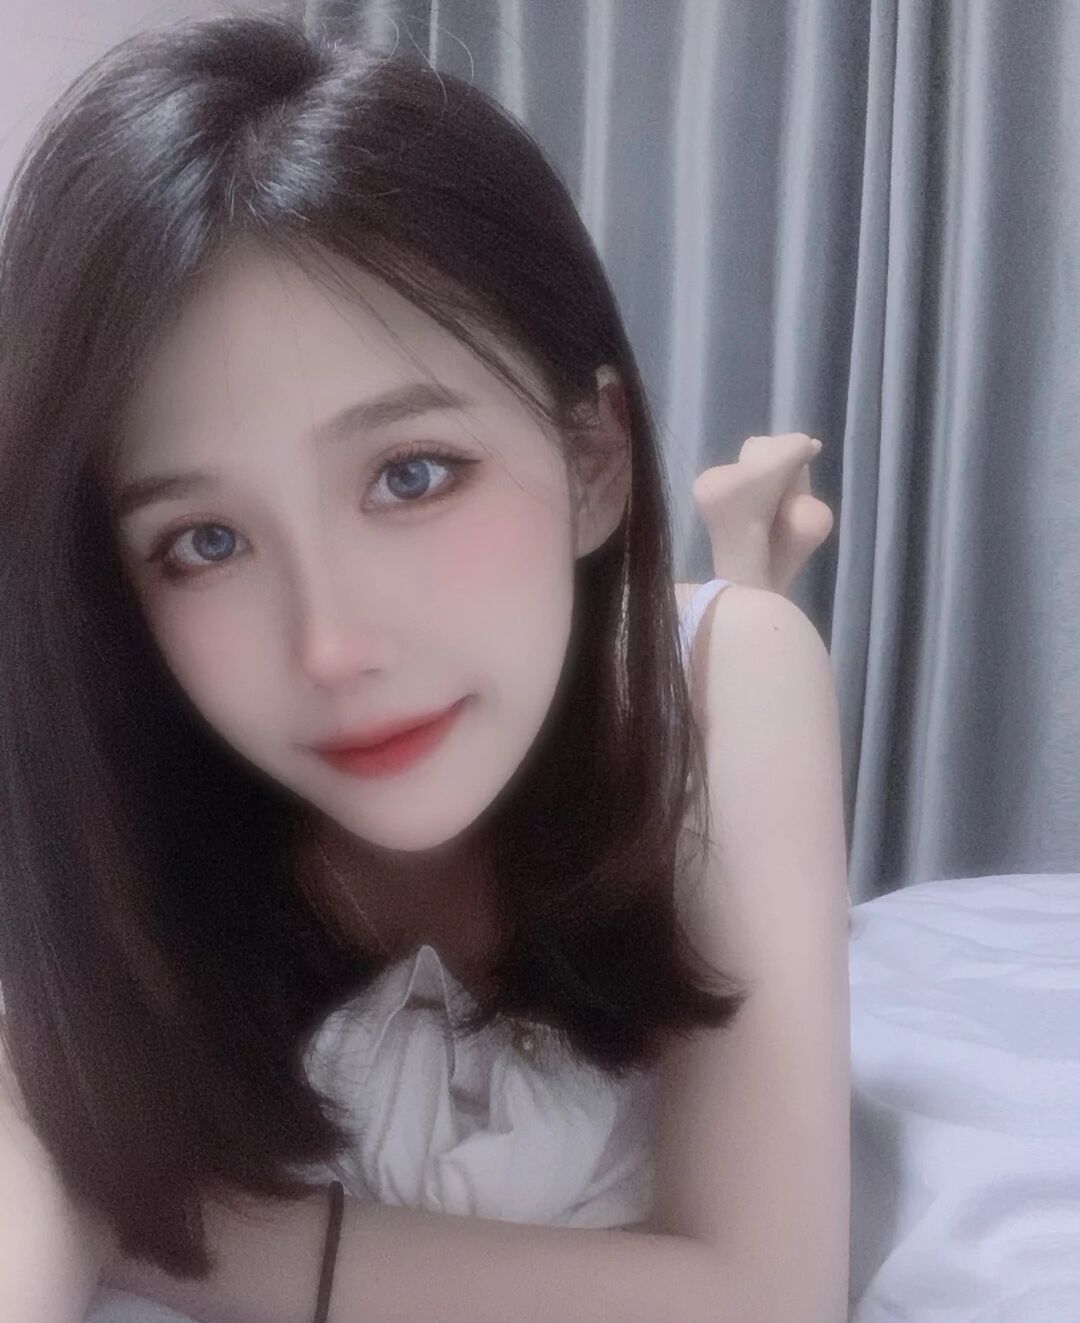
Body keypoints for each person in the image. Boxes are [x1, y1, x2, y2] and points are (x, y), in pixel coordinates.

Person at [0, 14, 849, 1323]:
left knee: (724, 644)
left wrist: (178, 1230)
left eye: (412, 475)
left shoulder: (733, 673)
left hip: (658, 682)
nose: (331, 649)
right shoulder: (131, 806)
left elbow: (766, 1297)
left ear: (592, 459)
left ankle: (746, 549)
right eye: (205, 542)